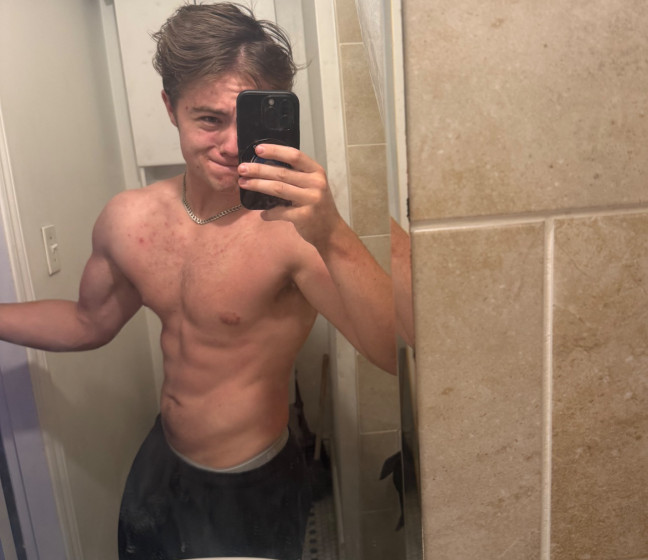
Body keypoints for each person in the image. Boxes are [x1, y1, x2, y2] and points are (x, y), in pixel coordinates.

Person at [0, 3, 397, 559]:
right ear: (170, 108)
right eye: (209, 119)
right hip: (161, 460)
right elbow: (87, 323)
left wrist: (332, 233)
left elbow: (394, 354)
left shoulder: (295, 232)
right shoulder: (129, 219)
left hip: (251, 482)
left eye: (246, 120)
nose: (231, 145)